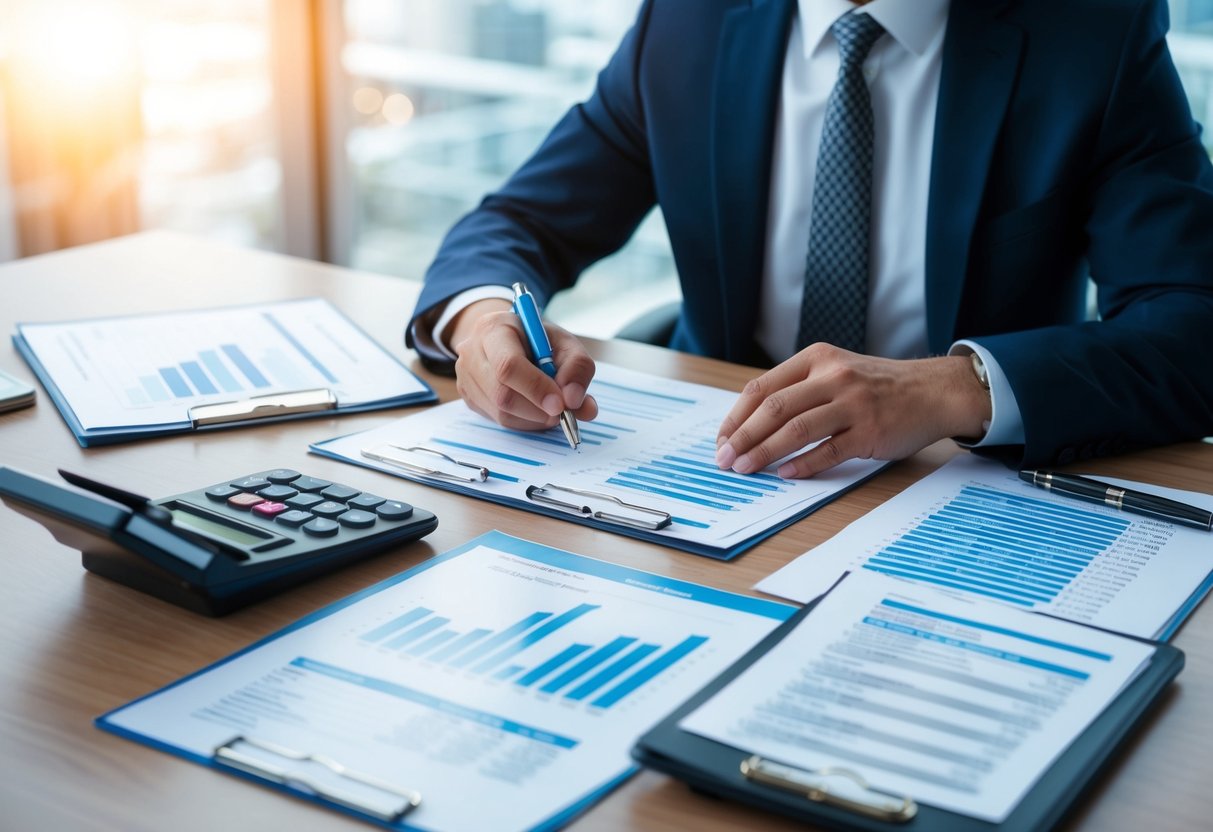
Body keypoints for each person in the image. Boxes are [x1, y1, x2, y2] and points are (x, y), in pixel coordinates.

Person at [407, 0, 1213, 479]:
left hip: (951, 481)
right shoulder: (689, 19)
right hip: (716, 472)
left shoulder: (1091, 31)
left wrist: (947, 389)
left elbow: (1193, 324)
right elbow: (519, 221)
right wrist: (481, 322)